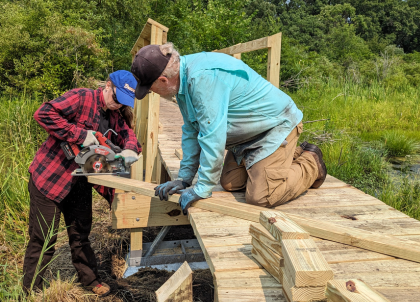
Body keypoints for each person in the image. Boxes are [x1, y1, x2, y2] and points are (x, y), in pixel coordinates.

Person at [130, 44, 327, 215]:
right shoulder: (181, 80)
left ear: (163, 80)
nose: (151, 93)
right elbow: (191, 130)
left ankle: (311, 162)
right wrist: (184, 178)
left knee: (261, 196)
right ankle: (289, 154)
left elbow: (212, 136)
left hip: (274, 127)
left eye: (150, 89)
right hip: (245, 137)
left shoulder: (201, 79)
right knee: (230, 183)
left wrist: (202, 189)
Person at [23, 70, 142, 296]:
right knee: (43, 238)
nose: (118, 105)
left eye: (123, 103)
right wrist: (80, 135)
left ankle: (90, 280)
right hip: (50, 178)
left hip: (80, 181)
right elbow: (43, 113)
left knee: (80, 234)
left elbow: (129, 136)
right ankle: (31, 292)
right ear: (108, 85)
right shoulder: (82, 97)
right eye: (116, 99)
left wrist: (129, 150)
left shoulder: (116, 115)